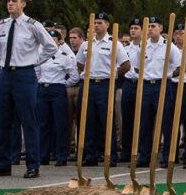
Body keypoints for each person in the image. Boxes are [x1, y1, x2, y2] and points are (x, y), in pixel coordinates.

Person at [0, 0, 58, 178]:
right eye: (8, 0)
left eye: (14, 1)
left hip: (24, 75)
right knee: (2, 120)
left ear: (23, 4)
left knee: (29, 120)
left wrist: (34, 61)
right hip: (5, 75)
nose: (10, 4)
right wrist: (5, 63)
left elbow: (50, 46)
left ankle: (33, 165)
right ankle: (2, 164)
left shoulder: (32, 25)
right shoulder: (1, 26)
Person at [75, 12, 131, 166]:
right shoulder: (87, 44)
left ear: (107, 25)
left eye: (100, 23)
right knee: (88, 119)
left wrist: (113, 74)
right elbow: (79, 63)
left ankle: (110, 155)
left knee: (106, 120)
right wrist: (89, 73)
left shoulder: (114, 44)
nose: (97, 25)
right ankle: (90, 155)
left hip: (105, 84)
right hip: (89, 83)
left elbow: (126, 65)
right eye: (95, 23)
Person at [136, 17, 180, 167]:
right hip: (147, 86)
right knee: (145, 123)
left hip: (163, 85)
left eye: (153, 26)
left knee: (166, 122)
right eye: (148, 26)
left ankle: (168, 157)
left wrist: (167, 76)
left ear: (161, 28)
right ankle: (144, 157)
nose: (150, 29)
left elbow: (179, 67)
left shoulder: (169, 46)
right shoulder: (143, 45)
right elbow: (137, 67)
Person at [36, 29, 77, 166]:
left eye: (54, 40)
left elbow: (74, 76)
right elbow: (36, 72)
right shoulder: (42, 55)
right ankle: (43, 155)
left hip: (57, 89)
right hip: (43, 89)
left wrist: (62, 84)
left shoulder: (65, 56)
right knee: (43, 124)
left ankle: (61, 155)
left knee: (60, 124)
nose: (51, 42)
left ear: (59, 42)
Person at [161, 22, 186, 167]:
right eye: (176, 34)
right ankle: (169, 155)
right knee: (170, 122)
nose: (178, 36)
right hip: (172, 85)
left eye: (182, 33)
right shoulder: (168, 48)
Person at [120, 18, 144, 158]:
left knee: (143, 117)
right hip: (129, 83)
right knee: (127, 117)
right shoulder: (125, 48)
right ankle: (126, 149)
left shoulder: (147, 47)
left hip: (142, 83)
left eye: (136, 28)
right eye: (131, 28)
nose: (133, 31)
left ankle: (141, 148)